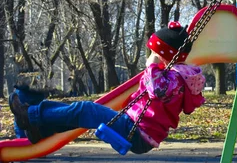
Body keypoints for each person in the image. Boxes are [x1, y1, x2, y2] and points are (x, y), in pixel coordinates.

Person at [9, 21, 206, 154]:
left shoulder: (177, 79)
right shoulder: (178, 77)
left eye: (154, 51)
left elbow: (158, 90)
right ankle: (39, 128)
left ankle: (31, 116)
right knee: (81, 113)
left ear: (165, 54)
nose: (151, 54)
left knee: (86, 109)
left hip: (138, 132)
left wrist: (152, 65)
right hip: (135, 127)